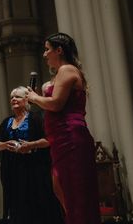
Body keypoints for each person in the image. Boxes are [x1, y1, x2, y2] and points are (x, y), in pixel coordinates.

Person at [27, 33, 101, 224]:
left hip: (71, 138)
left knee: (77, 197)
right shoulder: (61, 73)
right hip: (60, 140)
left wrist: (34, 98)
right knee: (62, 190)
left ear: (59, 50)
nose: (44, 55)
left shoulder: (67, 70)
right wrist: (40, 97)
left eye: (47, 49)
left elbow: (56, 104)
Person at [0, 86, 63, 224]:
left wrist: (31, 145)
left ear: (27, 100)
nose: (13, 99)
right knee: (17, 208)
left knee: (38, 206)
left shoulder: (37, 118)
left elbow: (49, 140)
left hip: (35, 169)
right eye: (12, 97)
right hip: (12, 172)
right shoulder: (6, 122)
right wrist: (4, 145)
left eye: (17, 96)